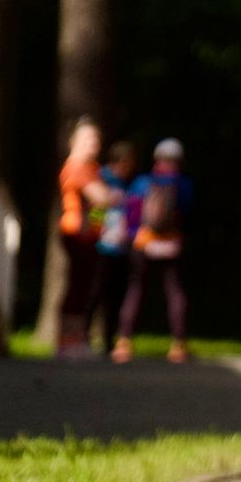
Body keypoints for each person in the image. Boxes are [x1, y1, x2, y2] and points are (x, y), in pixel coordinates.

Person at [116, 138, 196, 363]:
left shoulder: (142, 182)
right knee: (174, 292)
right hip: (171, 244)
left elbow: (131, 211)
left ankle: (124, 342)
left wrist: (133, 234)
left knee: (135, 290)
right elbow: (187, 213)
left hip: (144, 242)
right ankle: (179, 345)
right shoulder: (183, 184)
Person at [52, 119, 116, 358]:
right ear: (74, 141)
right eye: (89, 138)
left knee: (84, 287)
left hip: (89, 234)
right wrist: (110, 197)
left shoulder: (91, 167)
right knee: (78, 287)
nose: (95, 143)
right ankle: (68, 342)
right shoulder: (77, 166)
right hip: (76, 232)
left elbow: (103, 203)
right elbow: (101, 197)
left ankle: (76, 339)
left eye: (97, 138)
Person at [89, 139, 139, 354]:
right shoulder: (102, 178)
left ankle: (108, 340)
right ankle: (83, 335)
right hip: (101, 245)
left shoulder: (129, 184)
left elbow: (133, 212)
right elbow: (94, 209)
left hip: (121, 246)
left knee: (115, 295)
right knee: (95, 292)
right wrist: (97, 228)